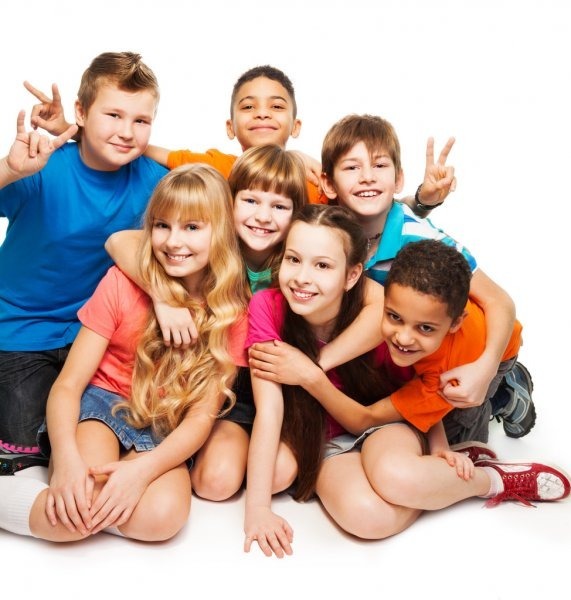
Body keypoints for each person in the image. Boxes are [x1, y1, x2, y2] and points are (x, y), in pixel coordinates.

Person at [244, 204, 569, 558]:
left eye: (322, 265)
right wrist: (257, 510)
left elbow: (416, 387)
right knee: (367, 519)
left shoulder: (389, 318)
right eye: (293, 259)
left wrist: (438, 444)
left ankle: (490, 480)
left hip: (384, 422)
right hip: (325, 439)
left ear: (352, 275)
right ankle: (439, 482)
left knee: (397, 478)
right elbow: (270, 411)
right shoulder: (266, 307)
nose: (302, 278)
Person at [105, 144, 386, 501]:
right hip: (219, 377)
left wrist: (316, 366)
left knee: (261, 476)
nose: (263, 217)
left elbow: (379, 304)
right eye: (250, 201)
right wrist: (162, 296)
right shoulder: (213, 246)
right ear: (229, 203)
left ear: (296, 216)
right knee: (213, 482)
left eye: (280, 207)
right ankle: (180, 454)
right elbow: (119, 241)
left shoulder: (299, 263)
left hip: (278, 380)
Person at [0, 163, 249, 542]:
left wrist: (142, 472)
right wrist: (65, 460)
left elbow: (201, 418)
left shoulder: (233, 311)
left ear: (222, 231)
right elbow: (68, 385)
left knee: (162, 519)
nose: (173, 241)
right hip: (102, 407)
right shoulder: (120, 282)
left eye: (192, 227)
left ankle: (100, 507)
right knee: (75, 511)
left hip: (168, 425)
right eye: (162, 225)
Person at [318, 113, 535, 439]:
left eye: (379, 165)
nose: (366, 177)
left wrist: (485, 369)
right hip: (414, 341)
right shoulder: (327, 225)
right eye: (352, 167)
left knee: (457, 434)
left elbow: (499, 300)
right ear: (329, 184)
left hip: (472, 351)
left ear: (398, 179)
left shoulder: (419, 236)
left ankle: (505, 392)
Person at [0, 52, 169, 456]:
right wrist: (9, 168)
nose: (126, 132)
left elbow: (223, 181)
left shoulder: (155, 181)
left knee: (97, 436)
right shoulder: (41, 168)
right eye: (113, 115)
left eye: (140, 121)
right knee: (27, 446)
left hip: (97, 335)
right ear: (81, 112)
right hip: (22, 329)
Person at [25, 65, 455, 211]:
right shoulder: (217, 166)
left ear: (296, 126)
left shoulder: (315, 178)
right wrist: (74, 129)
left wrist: (423, 199)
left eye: (276, 106)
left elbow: (371, 208)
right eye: (248, 107)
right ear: (230, 128)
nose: (263, 112)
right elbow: (138, 147)